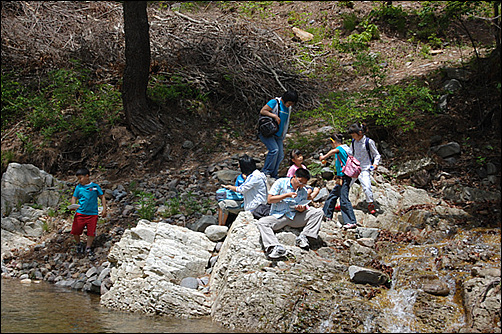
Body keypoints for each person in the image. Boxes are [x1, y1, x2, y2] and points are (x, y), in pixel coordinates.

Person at [256, 168, 324, 259]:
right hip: (279, 216)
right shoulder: (281, 183)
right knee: (262, 222)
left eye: (304, 184)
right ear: (294, 177)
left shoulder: (302, 190)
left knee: (318, 212)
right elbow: (270, 200)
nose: (301, 185)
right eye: (300, 182)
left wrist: (301, 209)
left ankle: (304, 237)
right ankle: (274, 247)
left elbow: (303, 205)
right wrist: (286, 195)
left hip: (294, 216)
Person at [319, 133, 357, 229]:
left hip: (344, 177)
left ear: (334, 142)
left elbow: (335, 150)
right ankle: (326, 215)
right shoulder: (346, 148)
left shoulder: (340, 148)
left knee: (343, 199)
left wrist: (324, 157)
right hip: (341, 178)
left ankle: (351, 221)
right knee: (333, 195)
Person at [258, 90, 299, 181]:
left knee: (280, 155)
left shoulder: (288, 108)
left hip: (279, 135)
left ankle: (274, 173)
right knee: (274, 150)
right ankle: (266, 172)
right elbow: (263, 111)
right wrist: (274, 116)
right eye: (290, 102)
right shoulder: (275, 102)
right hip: (268, 132)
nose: (290, 105)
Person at [69, 168, 107, 258]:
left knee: (91, 232)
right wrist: (73, 205)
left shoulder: (95, 187)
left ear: (87, 176)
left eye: (81, 178)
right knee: (76, 231)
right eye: (78, 179)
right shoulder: (78, 187)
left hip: (92, 213)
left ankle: (88, 247)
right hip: (80, 213)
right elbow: (74, 197)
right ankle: (78, 244)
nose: (80, 180)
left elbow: (102, 197)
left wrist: (104, 209)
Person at [219, 154, 268, 225]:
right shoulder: (260, 174)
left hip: (254, 207)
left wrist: (230, 187)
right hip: (260, 205)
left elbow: (241, 189)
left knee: (223, 204)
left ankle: (221, 227)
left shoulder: (254, 177)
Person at [348, 122, 381, 214]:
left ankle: (370, 204)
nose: (353, 137)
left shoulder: (368, 142)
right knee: (346, 186)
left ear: (360, 133)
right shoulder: (353, 142)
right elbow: (350, 153)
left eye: (354, 135)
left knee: (366, 187)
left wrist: (375, 164)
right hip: (354, 168)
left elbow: (376, 154)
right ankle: (343, 202)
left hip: (364, 168)